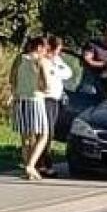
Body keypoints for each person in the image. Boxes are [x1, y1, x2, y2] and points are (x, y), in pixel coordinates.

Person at [8, 36, 51, 181]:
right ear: (39, 47)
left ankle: (28, 169)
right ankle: (31, 165)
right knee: (43, 135)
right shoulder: (40, 61)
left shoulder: (19, 59)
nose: (46, 52)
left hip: (20, 100)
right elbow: (46, 84)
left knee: (26, 138)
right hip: (35, 100)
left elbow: (11, 79)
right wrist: (44, 89)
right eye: (45, 49)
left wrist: (17, 91)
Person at [37, 35, 73, 175]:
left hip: (55, 99)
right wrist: (54, 70)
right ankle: (43, 163)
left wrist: (56, 69)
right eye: (58, 49)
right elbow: (49, 75)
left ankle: (44, 162)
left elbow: (68, 73)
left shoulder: (57, 60)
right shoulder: (44, 59)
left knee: (50, 132)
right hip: (46, 98)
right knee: (46, 132)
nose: (59, 52)